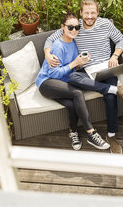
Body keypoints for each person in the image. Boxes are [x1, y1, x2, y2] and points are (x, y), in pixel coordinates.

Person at [44, 0, 123, 154]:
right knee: (72, 78)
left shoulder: (105, 24)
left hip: (106, 68)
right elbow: (51, 39)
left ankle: (111, 136)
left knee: (110, 98)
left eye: (93, 13)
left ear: (98, 13)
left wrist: (114, 56)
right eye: (86, 13)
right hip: (85, 70)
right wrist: (47, 54)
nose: (90, 16)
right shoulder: (74, 27)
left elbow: (121, 39)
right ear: (81, 13)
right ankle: (116, 89)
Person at [35, 13, 110, 151]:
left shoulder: (73, 43)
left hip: (61, 83)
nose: (74, 30)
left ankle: (73, 132)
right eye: (70, 27)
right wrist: (74, 62)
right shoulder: (58, 46)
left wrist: (79, 63)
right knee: (77, 93)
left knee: (71, 104)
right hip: (47, 82)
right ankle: (91, 133)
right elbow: (53, 73)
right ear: (63, 27)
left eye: (77, 27)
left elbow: (70, 67)